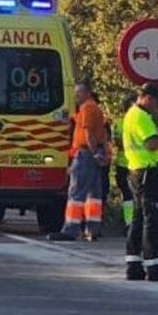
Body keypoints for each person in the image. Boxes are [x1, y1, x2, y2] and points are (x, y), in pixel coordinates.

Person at [123, 82, 158, 282]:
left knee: (139, 219)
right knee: (153, 219)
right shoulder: (142, 117)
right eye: (156, 102)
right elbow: (152, 144)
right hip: (148, 174)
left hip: (137, 172)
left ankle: (134, 264)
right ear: (148, 98)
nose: (157, 107)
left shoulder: (131, 114)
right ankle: (153, 266)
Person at [49, 80, 107, 242]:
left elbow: (88, 133)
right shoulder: (92, 108)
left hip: (86, 154)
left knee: (76, 192)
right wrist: (69, 117)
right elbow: (81, 121)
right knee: (94, 195)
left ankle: (70, 230)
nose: (76, 95)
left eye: (79, 92)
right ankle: (93, 230)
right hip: (93, 153)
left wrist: (94, 152)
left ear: (88, 93)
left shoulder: (88, 108)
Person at [111, 93, 137, 233]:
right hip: (125, 164)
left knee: (134, 196)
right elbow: (119, 143)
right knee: (128, 195)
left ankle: (134, 223)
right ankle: (129, 223)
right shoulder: (121, 122)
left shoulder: (139, 121)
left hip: (136, 164)